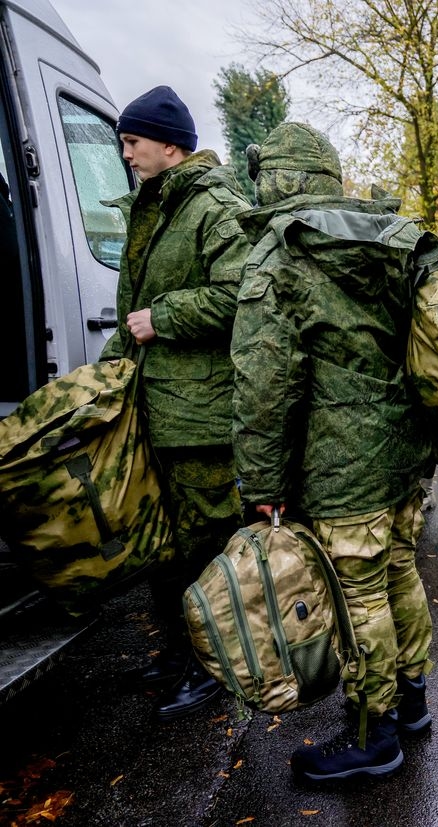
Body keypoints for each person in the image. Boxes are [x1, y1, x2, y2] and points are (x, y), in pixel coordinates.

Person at [231, 123, 438, 782]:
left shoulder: (282, 251)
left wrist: (261, 482)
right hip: (402, 450)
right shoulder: (391, 237)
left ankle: (372, 731)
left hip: (337, 462)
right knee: (399, 571)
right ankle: (411, 700)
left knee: (357, 595)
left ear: (276, 177)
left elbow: (265, 380)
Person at [101, 86, 250, 721]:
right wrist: (105, 372)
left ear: (170, 146)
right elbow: (130, 307)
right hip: (158, 410)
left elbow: (242, 294)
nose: (126, 154)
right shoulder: (157, 205)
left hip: (201, 419)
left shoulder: (215, 207)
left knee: (205, 546)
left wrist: (163, 317)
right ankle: (180, 650)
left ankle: (214, 666)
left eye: (132, 142)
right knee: (167, 545)